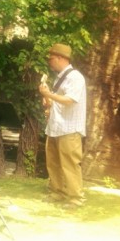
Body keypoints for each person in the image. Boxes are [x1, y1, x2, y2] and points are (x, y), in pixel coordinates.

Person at [38, 43, 87, 209]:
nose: (49, 62)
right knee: (53, 163)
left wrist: (48, 94)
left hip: (69, 129)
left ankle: (76, 199)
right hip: (55, 128)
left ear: (60, 58)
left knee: (70, 164)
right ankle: (57, 192)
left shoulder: (75, 77)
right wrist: (46, 99)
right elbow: (55, 103)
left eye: (51, 58)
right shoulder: (60, 78)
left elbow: (70, 100)